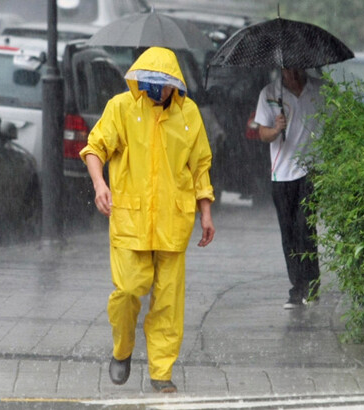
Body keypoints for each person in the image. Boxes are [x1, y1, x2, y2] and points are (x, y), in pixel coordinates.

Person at [79, 46, 216, 394]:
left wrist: (206, 212)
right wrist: (100, 184)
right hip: (131, 221)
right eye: (149, 82)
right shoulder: (122, 108)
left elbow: (200, 165)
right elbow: (95, 147)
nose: (156, 89)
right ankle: (122, 350)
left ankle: (161, 372)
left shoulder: (189, 115)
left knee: (169, 303)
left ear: (176, 85)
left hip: (173, 222)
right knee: (127, 291)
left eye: (163, 83)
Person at [253, 68, 322, 309]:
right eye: (287, 67)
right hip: (281, 173)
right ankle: (297, 287)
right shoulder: (270, 93)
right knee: (289, 232)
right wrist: (275, 129)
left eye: (296, 66)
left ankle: (311, 285)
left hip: (311, 170)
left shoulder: (319, 90)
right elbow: (262, 133)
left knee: (305, 227)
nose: (291, 72)